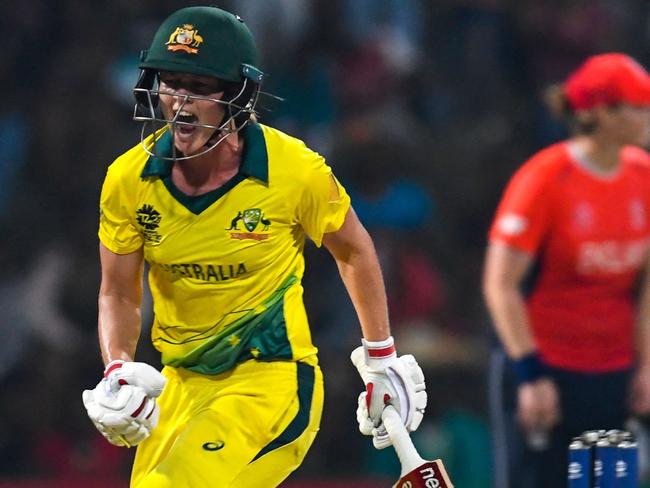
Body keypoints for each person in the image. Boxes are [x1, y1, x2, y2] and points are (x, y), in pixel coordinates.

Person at [81, 6, 427, 488]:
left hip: (271, 383)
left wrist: (381, 356)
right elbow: (117, 291)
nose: (179, 102)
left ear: (238, 96)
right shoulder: (127, 179)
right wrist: (118, 365)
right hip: (179, 388)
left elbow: (353, 250)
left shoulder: (293, 169)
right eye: (170, 82)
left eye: (200, 88)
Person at [483, 52, 650, 488]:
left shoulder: (643, 178)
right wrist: (530, 376)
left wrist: (647, 366)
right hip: (546, 370)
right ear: (601, 113)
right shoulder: (545, 179)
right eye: (639, 106)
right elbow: (501, 285)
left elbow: (647, 286)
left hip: (613, 374)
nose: (648, 115)